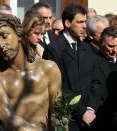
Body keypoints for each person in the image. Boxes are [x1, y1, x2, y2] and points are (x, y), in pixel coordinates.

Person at [0, 14, 62, 131]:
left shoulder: (48, 68)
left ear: (18, 34)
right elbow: (6, 116)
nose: (1, 44)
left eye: (4, 36)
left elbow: (59, 113)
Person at [43, 3, 102, 131]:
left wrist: (90, 109)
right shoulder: (54, 50)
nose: (85, 26)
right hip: (66, 119)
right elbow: (56, 88)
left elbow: (96, 82)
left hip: (90, 119)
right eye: (80, 22)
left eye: (85, 21)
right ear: (67, 23)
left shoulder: (88, 48)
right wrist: (81, 112)